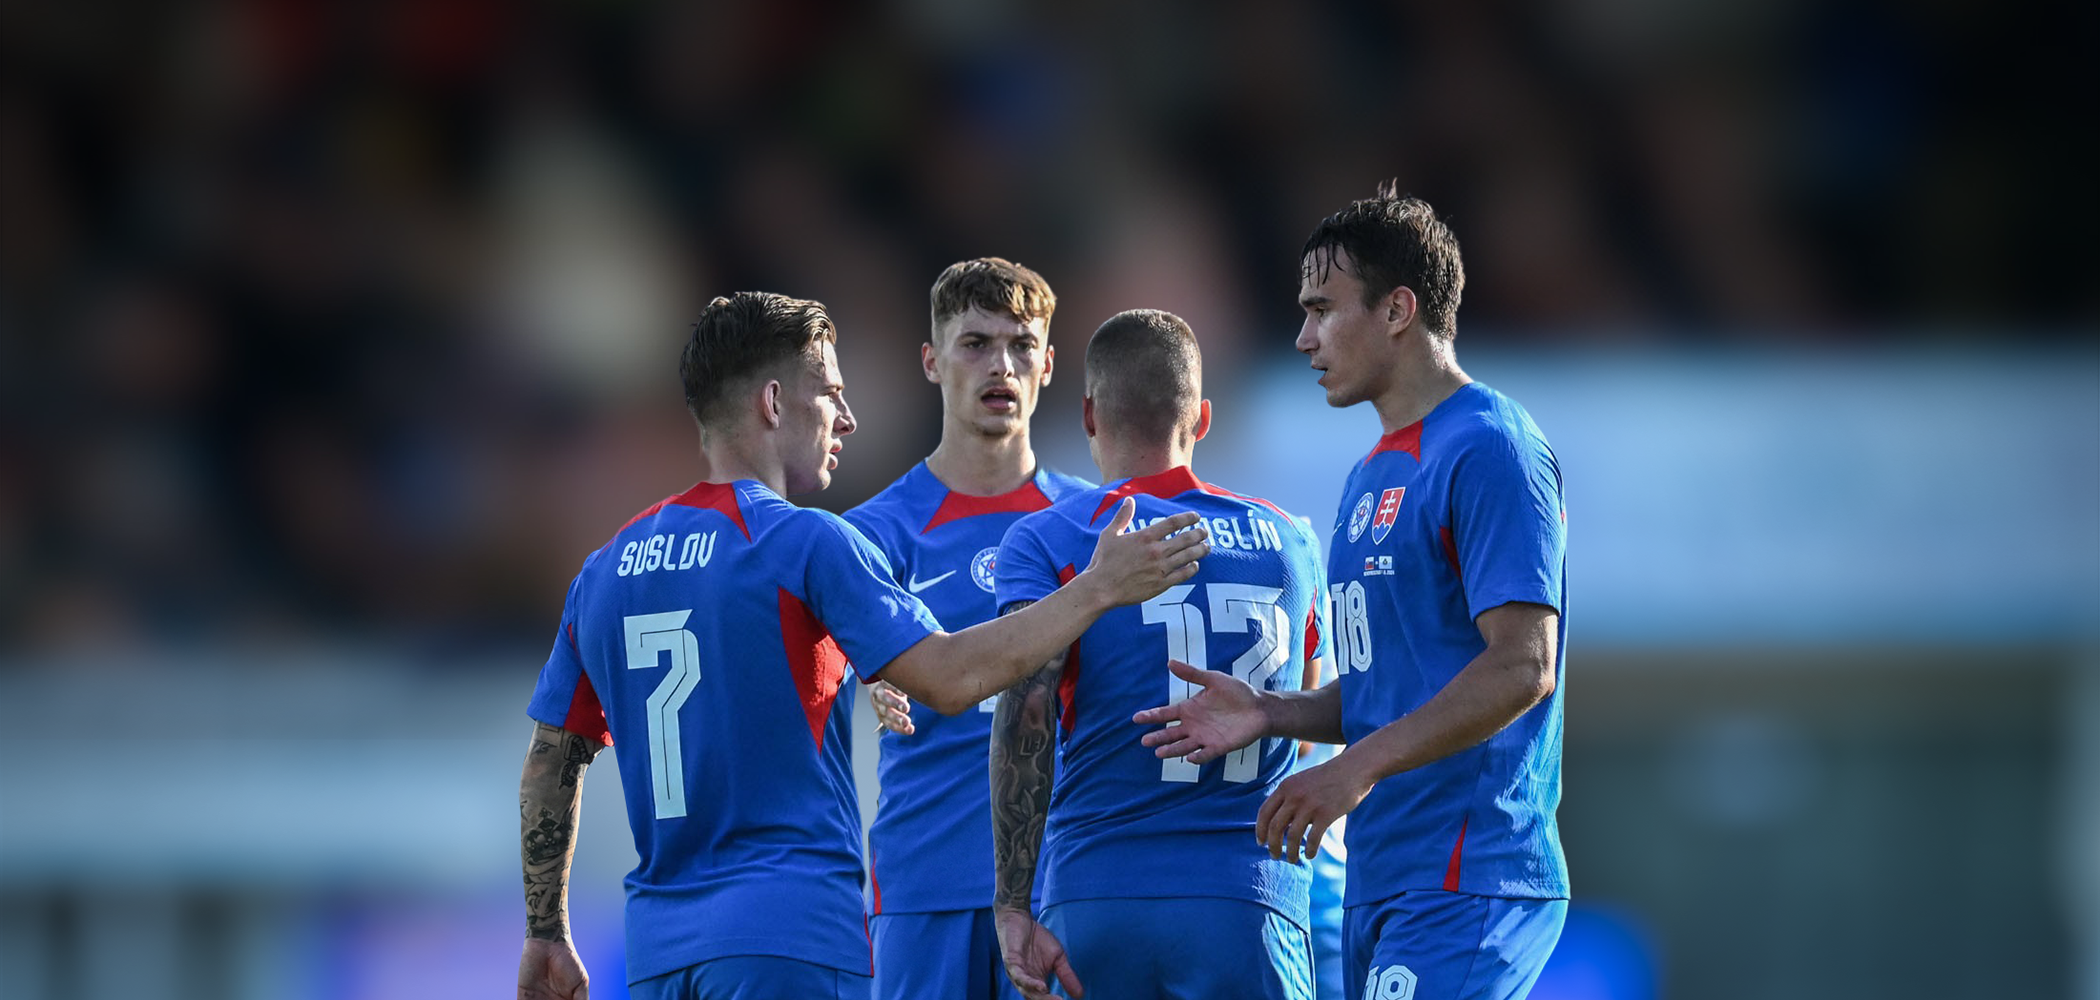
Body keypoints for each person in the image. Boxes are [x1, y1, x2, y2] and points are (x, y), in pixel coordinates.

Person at [514, 291, 1211, 1000]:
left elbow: (549, 763)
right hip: (790, 936)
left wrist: (545, 931)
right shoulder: (804, 541)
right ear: (774, 402)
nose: (846, 418)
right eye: (829, 393)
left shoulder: (604, 572)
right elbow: (950, 678)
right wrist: (1095, 589)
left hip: (658, 952)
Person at [1134, 186, 1570, 1000]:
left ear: (1398, 309)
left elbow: (1523, 665)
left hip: (1468, 871)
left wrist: (1351, 771)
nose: (1304, 337)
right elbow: (1393, 684)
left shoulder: (1490, 446)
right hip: (1385, 873)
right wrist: (1273, 712)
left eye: (1323, 310)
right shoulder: (1370, 473)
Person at [990, 309, 1330, 1000]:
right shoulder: (1292, 540)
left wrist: (1014, 901)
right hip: (1247, 899)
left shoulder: (1049, 538)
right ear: (1201, 419)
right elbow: (1304, 726)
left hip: (1098, 894)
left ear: (1089, 415)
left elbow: (1027, 711)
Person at [842, 258, 1092, 1000]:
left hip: (1061, 883)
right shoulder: (872, 533)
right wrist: (870, 675)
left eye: (1021, 346)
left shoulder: (1094, 523)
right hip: (924, 881)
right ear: (932, 361)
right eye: (976, 344)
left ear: (1049, 366)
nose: (1001, 366)